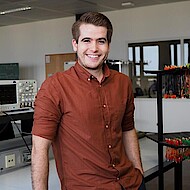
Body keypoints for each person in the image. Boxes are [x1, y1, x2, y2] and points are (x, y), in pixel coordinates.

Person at [31, 12, 146, 190]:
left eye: (101, 41)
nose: (94, 48)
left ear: (108, 45)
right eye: (86, 40)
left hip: (131, 183)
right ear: (75, 44)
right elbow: (40, 148)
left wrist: (139, 171)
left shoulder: (123, 83)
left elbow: (128, 129)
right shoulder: (54, 87)